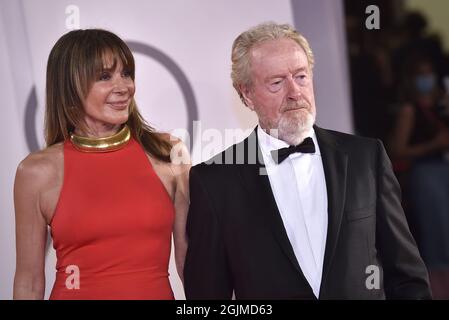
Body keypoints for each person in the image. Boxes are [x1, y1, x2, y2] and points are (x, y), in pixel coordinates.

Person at [184, 22, 431, 299]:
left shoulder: (366, 158)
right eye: (277, 82)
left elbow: (407, 276)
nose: (295, 92)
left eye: (301, 77)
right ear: (246, 94)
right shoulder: (215, 181)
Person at [13, 29, 190, 299]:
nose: (124, 87)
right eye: (105, 77)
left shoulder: (169, 153)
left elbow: (190, 263)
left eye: (126, 73)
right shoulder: (36, 172)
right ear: (70, 86)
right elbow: (29, 281)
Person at [389, 56, 449, 298]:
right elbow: (396, 150)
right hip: (426, 174)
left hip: (443, 170)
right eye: (420, 74)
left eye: (429, 73)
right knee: (438, 233)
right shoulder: (409, 110)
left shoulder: (442, 105)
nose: (426, 79)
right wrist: (433, 145)